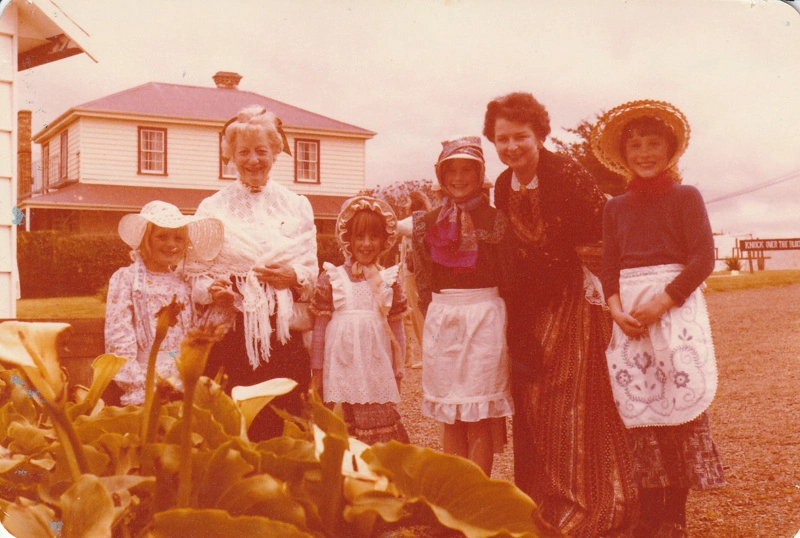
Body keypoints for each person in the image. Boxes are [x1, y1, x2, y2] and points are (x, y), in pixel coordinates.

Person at [483, 92, 637, 536]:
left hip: (573, 296)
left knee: (570, 399)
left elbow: (589, 243)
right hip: (530, 298)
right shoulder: (502, 185)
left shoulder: (565, 173)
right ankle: (541, 499)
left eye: (521, 137)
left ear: (541, 135)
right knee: (531, 401)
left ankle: (589, 503)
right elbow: (512, 249)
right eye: (502, 139)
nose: (511, 147)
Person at [592, 100, 726, 537]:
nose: (645, 153)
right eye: (636, 145)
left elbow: (703, 257)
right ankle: (648, 514)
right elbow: (608, 266)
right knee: (644, 410)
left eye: (654, 144)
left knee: (678, 409)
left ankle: (675, 516)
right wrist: (615, 309)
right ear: (623, 153)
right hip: (629, 314)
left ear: (670, 151)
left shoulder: (686, 198)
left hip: (674, 310)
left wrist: (666, 300)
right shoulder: (615, 207)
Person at [184, 105, 319, 441]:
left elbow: (311, 271)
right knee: (233, 427)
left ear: (275, 151)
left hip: (282, 334)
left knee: (285, 422)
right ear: (230, 156)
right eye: (243, 152)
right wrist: (214, 290)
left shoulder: (296, 205)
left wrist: (293, 276)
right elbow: (195, 275)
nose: (253, 160)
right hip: (230, 334)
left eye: (261, 150)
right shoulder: (212, 208)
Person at [411, 136, 515, 477]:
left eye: (466, 170)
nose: (458, 177)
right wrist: (437, 319)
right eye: (450, 170)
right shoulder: (426, 223)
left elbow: (508, 274)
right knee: (450, 414)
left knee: (479, 415)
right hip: (444, 319)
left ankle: (477, 498)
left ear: (480, 173)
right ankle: (454, 500)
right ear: (440, 175)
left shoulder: (498, 220)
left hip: (485, 317)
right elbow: (424, 278)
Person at [309, 196, 409, 444]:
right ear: (348, 240)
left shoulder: (389, 280)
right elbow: (320, 329)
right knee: (339, 435)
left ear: (384, 240)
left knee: (379, 439)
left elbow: (397, 330)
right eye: (359, 237)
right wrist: (317, 372)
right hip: (340, 371)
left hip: (374, 372)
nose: (366, 244)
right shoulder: (332, 278)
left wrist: (398, 370)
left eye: (373, 237)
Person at [105, 200, 225, 405]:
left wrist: (220, 304)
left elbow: (196, 335)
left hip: (182, 380)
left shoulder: (184, 283)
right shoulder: (127, 280)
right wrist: (142, 386)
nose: (172, 244)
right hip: (145, 382)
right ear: (146, 240)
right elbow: (119, 339)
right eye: (162, 237)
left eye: (178, 238)